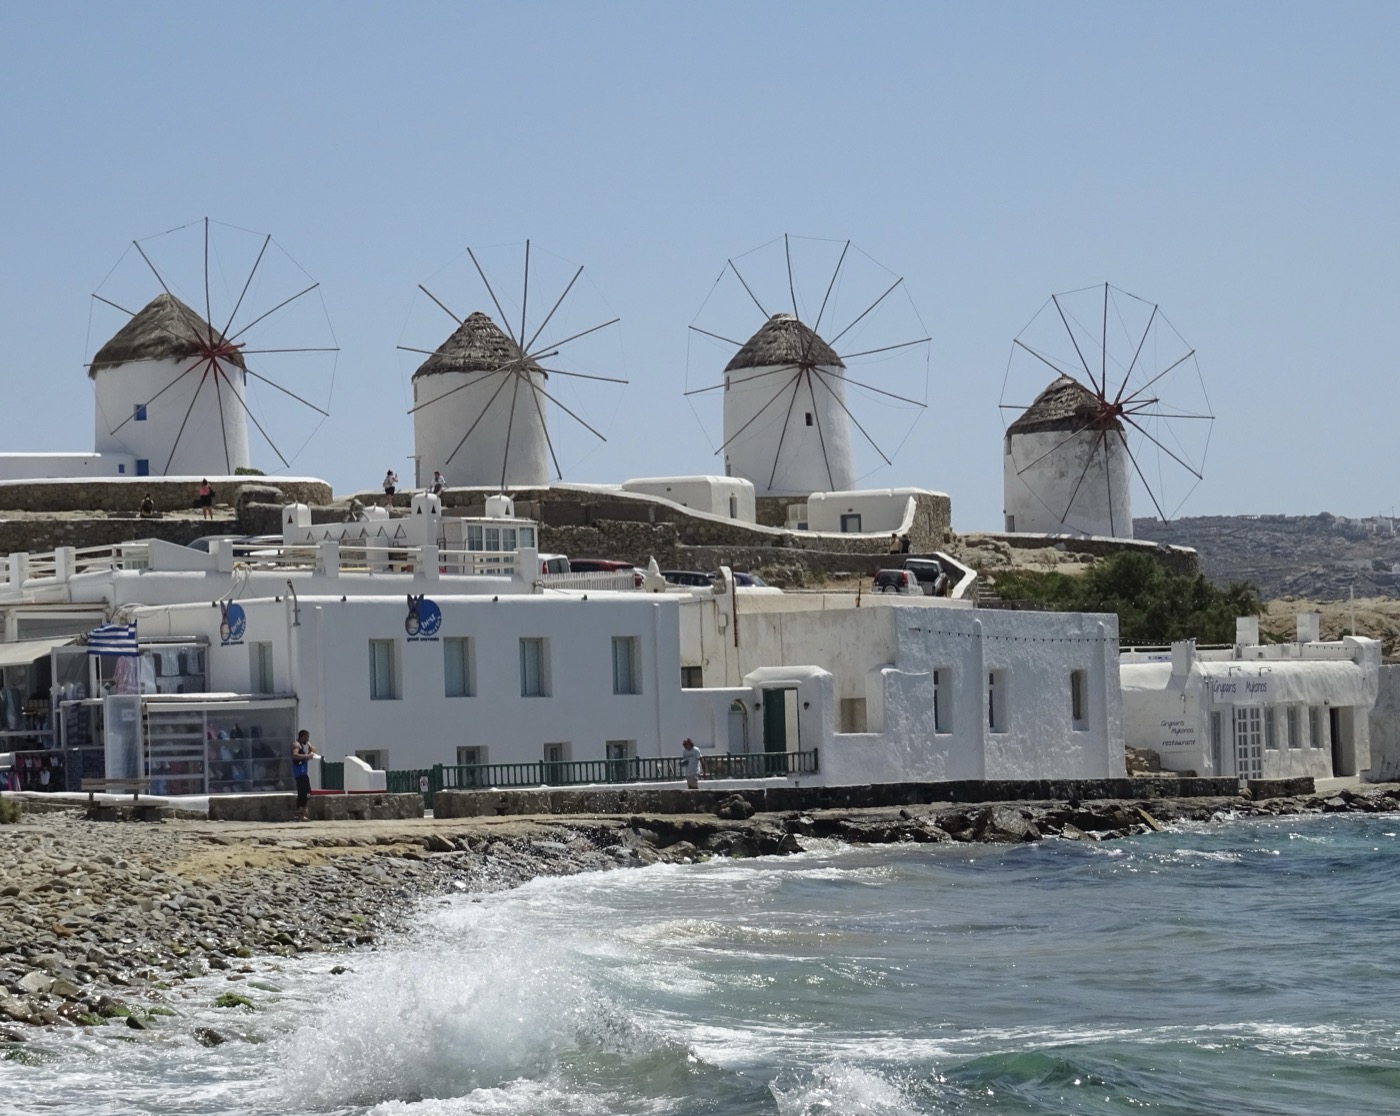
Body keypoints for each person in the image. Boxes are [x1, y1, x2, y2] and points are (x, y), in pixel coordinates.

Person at [291, 729, 318, 821]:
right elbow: (295, 755)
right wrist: (307, 756)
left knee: (305, 794)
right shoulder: (296, 745)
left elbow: (302, 759)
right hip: (300, 774)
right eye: (307, 737)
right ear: (302, 736)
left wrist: (309, 752)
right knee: (304, 794)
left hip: (303, 773)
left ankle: (301, 814)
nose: (308, 739)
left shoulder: (302, 746)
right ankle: (299, 812)